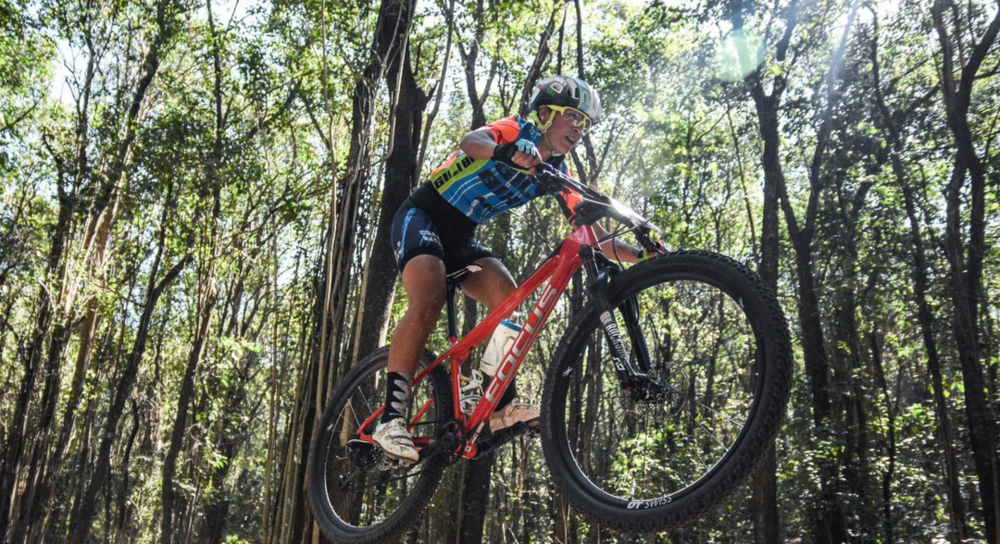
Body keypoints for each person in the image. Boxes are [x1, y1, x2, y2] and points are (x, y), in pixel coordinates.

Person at [374, 75, 651, 464]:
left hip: (462, 239)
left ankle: (500, 406)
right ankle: (391, 418)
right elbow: (472, 142)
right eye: (572, 116)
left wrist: (647, 257)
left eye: (584, 123)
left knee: (510, 303)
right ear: (544, 113)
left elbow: (598, 238)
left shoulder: (557, 172)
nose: (578, 128)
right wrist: (505, 153)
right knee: (429, 296)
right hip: (424, 216)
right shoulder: (516, 129)